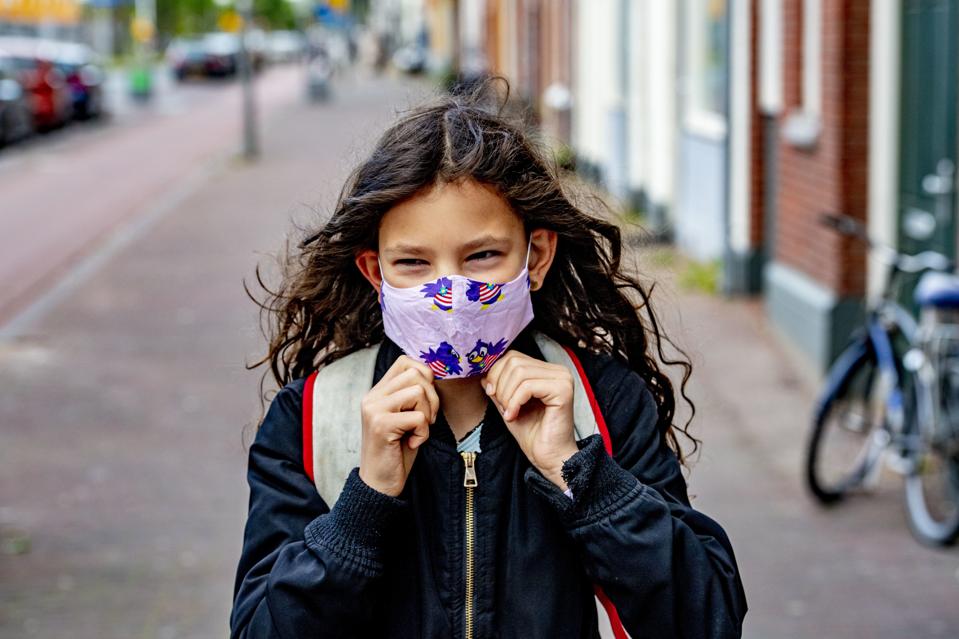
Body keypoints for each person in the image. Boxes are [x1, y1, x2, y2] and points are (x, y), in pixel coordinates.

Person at [229, 76, 748, 638]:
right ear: (376, 273)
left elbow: (707, 621)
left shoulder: (602, 403)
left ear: (536, 256)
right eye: (413, 263)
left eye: (482, 256)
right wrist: (365, 502)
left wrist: (581, 478)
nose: (450, 292)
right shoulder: (311, 419)